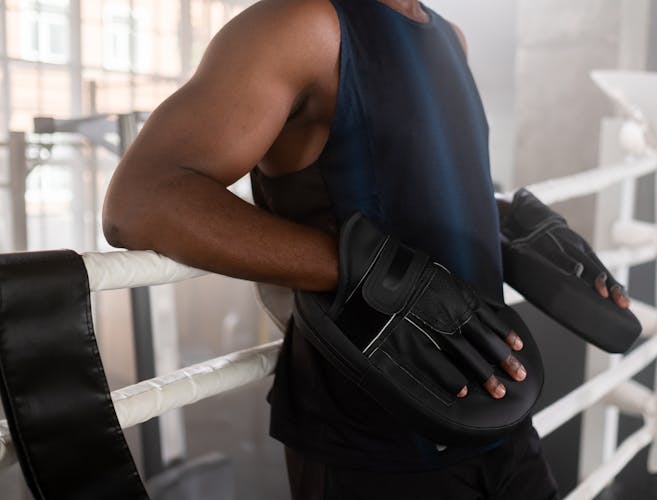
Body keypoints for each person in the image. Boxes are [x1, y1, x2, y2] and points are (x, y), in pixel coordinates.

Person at [103, 0, 629, 498]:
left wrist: (514, 222)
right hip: (373, 444)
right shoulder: (300, 26)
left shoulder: (450, 38)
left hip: (498, 412)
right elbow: (140, 200)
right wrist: (370, 271)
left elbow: (409, 176)